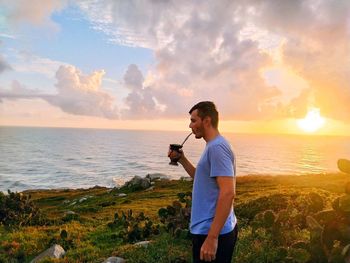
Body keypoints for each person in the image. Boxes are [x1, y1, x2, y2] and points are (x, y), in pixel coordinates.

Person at [168, 101, 238, 263]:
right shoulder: (213, 145)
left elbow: (228, 193)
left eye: (193, 120)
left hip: (212, 232)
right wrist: (182, 159)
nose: (190, 125)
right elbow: (202, 179)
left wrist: (212, 238)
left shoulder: (216, 148)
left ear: (206, 121)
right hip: (212, 229)